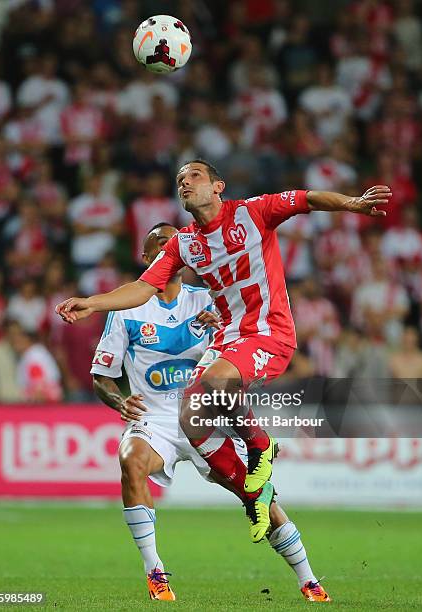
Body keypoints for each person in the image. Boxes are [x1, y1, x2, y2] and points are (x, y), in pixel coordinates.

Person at [56, 159, 391, 549]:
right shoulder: (184, 243)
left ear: (218, 186)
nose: (185, 182)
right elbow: (143, 288)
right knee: (192, 418)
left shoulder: (253, 212)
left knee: (214, 383)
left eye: (194, 175)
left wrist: (352, 204)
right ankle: (255, 496)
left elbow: (307, 198)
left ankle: (260, 445)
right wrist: (94, 304)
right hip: (228, 338)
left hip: (268, 332)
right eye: (180, 179)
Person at [90, 222, 331, 602]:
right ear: (146, 257)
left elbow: (242, 356)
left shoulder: (208, 301)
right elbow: (101, 376)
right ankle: (155, 573)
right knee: (130, 461)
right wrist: (120, 401)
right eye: (159, 244)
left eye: (174, 245)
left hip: (205, 417)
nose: (168, 250)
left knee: (256, 497)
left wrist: (221, 329)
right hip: (155, 421)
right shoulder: (126, 310)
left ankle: (309, 580)